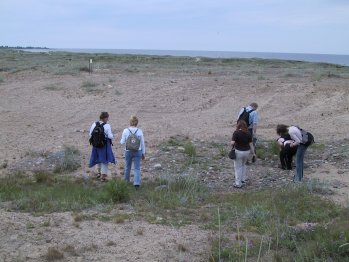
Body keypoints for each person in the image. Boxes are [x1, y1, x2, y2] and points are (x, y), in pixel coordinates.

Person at [120, 116, 146, 189]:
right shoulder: (140, 131)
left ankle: (126, 182)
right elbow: (142, 143)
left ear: (130, 122)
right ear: (137, 123)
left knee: (127, 167)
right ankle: (136, 184)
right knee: (137, 168)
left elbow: (122, 142)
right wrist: (143, 153)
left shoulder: (125, 130)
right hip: (138, 151)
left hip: (128, 151)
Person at [89, 112, 115, 182]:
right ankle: (103, 176)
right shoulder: (107, 126)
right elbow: (110, 136)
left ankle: (98, 173)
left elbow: (90, 134)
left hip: (95, 145)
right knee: (104, 160)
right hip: (104, 145)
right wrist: (113, 136)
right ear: (105, 118)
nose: (108, 119)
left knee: (98, 158)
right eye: (107, 118)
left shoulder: (94, 124)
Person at [231, 120, 256, 188]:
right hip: (246, 152)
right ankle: (243, 180)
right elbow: (251, 145)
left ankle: (238, 183)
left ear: (238, 125)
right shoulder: (248, 133)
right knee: (243, 165)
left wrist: (233, 143)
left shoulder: (236, 133)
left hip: (238, 151)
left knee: (237, 167)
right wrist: (253, 153)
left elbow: (232, 143)